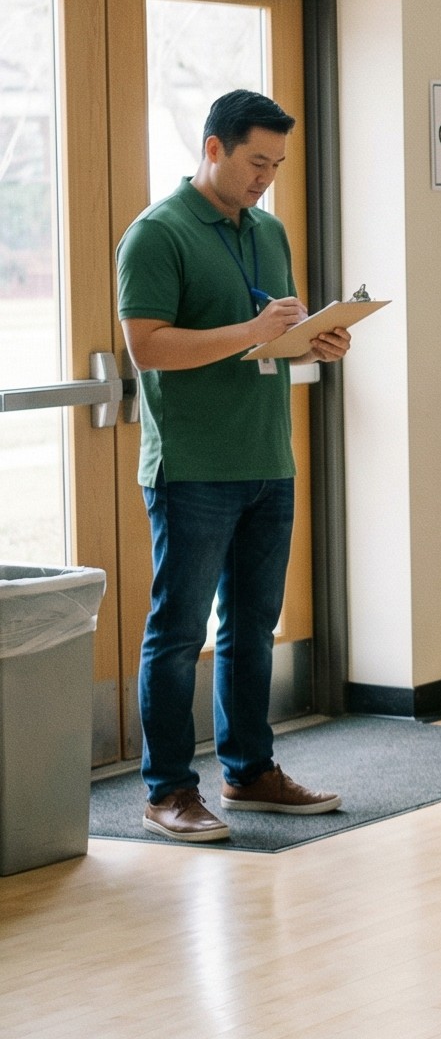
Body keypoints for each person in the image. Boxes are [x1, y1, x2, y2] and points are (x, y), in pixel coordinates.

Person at [115, 89, 350, 842]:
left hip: (264, 458)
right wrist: (250, 328)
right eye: (255, 161)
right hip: (191, 466)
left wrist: (316, 340)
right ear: (212, 149)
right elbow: (147, 346)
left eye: (276, 165)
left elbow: (266, 337)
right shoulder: (156, 235)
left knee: (253, 627)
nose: (265, 178)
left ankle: (250, 772)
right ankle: (166, 793)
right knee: (178, 633)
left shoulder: (269, 231)